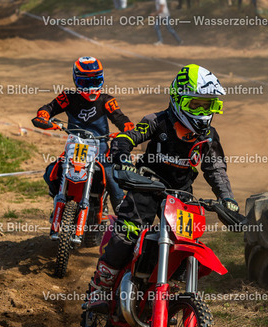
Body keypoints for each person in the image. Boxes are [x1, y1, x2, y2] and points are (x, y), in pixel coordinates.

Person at [87, 64, 239, 306]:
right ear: (178, 99)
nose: (202, 111)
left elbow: (215, 169)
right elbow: (128, 137)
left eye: (208, 105)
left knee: (188, 242)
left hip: (181, 195)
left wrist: (226, 198)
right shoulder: (157, 121)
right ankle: (101, 286)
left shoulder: (209, 136)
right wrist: (122, 158)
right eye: (196, 105)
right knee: (128, 232)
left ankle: (171, 291)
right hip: (145, 185)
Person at [32, 57, 135, 213]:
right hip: (74, 147)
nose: (90, 87)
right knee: (51, 172)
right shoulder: (68, 97)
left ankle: (122, 218)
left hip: (100, 151)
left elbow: (121, 118)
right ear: (76, 80)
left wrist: (128, 130)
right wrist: (43, 117)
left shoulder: (107, 100)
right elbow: (48, 108)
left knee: (113, 181)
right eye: (85, 83)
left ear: (102, 79)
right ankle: (58, 198)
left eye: (95, 81)